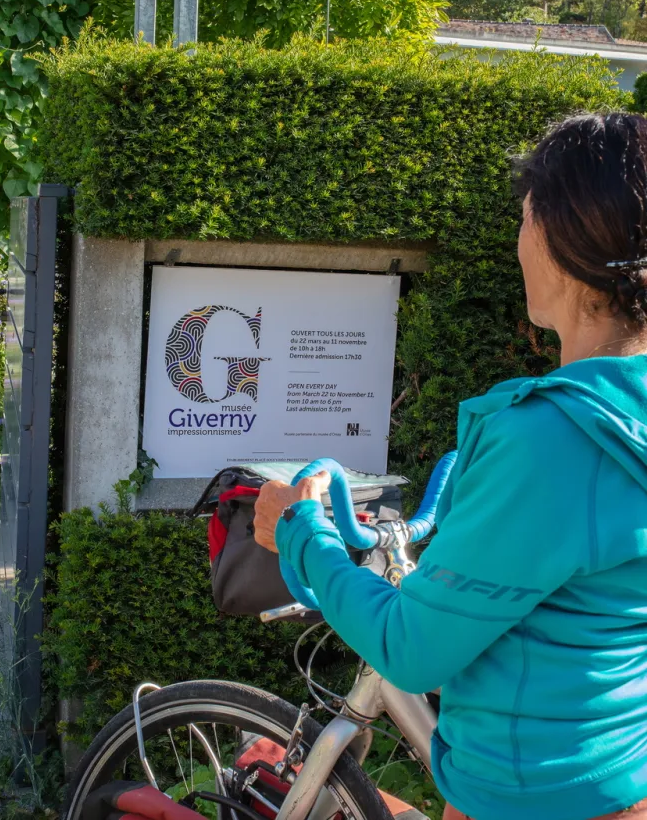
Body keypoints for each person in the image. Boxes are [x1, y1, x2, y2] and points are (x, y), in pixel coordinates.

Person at [254, 113, 647, 820]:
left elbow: (412, 649)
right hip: (620, 772)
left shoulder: (553, 441)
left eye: (526, 216)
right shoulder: (622, 419)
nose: (518, 237)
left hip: (526, 799)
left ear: (559, 240)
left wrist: (300, 531)